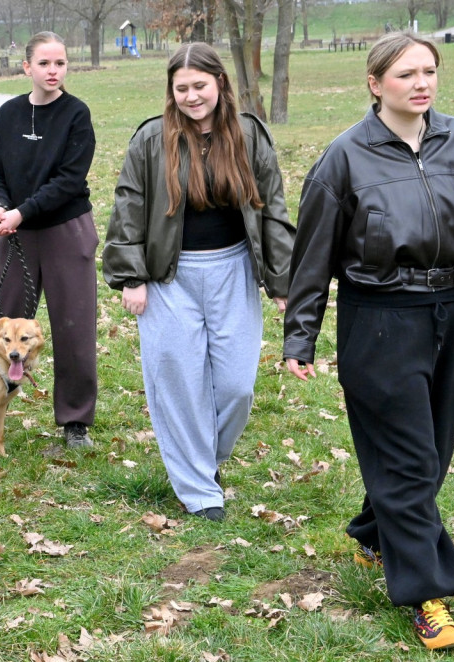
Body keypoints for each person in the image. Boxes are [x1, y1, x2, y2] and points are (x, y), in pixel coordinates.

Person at [282, 32, 454, 650]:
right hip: (378, 320)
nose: (421, 83)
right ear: (375, 83)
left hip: (450, 313)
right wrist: (300, 338)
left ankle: (372, 532)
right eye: (407, 73)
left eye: (429, 71)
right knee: (410, 463)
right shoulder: (345, 158)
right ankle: (427, 594)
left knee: (427, 455)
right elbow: (312, 258)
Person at [103, 43, 295, 522]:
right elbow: (128, 205)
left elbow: (273, 209)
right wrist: (131, 276)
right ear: (171, 91)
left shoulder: (249, 135)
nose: (192, 97)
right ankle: (199, 490)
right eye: (182, 88)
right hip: (170, 276)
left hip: (233, 272)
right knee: (180, 384)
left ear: (220, 84)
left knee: (236, 386)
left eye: (200, 86)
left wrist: (284, 282)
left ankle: (204, 458)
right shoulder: (152, 139)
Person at [0, 31, 99, 448]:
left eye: (61, 63)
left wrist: (21, 210)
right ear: (27, 67)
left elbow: (69, 180)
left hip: (66, 228)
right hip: (15, 233)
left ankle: (75, 422)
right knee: (4, 323)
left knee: (73, 327)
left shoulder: (76, 114)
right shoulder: (10, 113)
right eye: (46, 63)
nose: (54, 71)